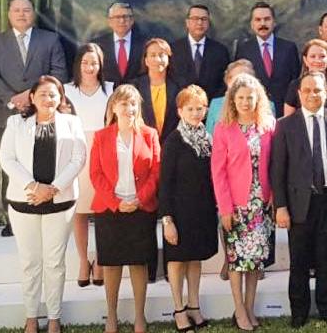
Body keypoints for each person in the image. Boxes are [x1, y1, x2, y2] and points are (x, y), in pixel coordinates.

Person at [0, 76, 86, 333]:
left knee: (55, 262)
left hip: (60, 202)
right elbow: (8, 159)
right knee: (30, 261)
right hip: (24, 201)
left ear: (61, 98)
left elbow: (78, 158)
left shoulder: (72, 123)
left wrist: (53, 189)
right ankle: (31, 317)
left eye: (54, 94)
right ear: (33, 97)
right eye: (44, 94)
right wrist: (35, 187)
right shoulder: (15, 123)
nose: (49, 99)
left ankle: (54, 318)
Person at [270, 71, 327, 328]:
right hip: (298, 203)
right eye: (307, 90)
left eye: (317, 90)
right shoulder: (285, 125)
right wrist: (281, 206)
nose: (312, 95)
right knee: (300, 261)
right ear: (299, 94)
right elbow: (278, 169)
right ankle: (299, 312)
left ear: (326, 92)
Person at [0, 0, 69, 237]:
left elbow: (59, 73)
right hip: (6, 112)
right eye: (16, 10)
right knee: (10, 165)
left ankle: (44, 210)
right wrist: (13, 98)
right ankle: (13, 219)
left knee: (45, 163)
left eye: (27, 10)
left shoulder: (50, 39)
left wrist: (31, 96)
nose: (22, 14)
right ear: (9, 14)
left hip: (44, 114)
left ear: (33, 14)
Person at [89, 84, 161, 333]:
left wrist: (139, 199)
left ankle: (139, 317)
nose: (128, 108)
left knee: (138, 264)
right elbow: (95, 175)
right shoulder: (101, 136)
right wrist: (117, 203)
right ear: (113, 107)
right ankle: (112, 316)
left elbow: (156, 172)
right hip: (110, 210)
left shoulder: (150, 134)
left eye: (133, 104)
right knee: (111, 264)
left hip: (141, 208)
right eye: (123, 103)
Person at [212, 74, 276, 331]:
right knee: (237, 260)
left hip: (261, 205)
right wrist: (225, 209)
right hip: (237, 205)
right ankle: (238, 310)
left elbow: (275, 164)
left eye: (250, 97)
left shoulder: (269, 125)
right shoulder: (223, 128)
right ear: (232, 100)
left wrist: (273, 197)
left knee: (255, 260)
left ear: (258, 98)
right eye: (240, 98)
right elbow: (218, 172)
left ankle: (250, 308)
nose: (246, 102)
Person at [159, 85, 217, 331]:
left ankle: (194, 305)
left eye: (199, 108)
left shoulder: (208, 138)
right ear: (180, 110)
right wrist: (167, 219)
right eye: (190, 108)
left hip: (202, 210)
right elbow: (165, 182)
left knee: (195, 258)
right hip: (179, 211)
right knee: (178, 260)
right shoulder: (174, 140)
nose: (195, 113)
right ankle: (179, 308)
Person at [63, 43, 113, 286]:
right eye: (85, 63)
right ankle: (84, 260)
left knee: (103, 210)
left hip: (104, 154)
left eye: (94, 63)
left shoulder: (111, 90)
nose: (90, 67)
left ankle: (103, 260)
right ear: (78, 65)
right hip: (76, 154)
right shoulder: (65, 91)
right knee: (80, 211)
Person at [232, 1, 300, 112]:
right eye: (258, 20)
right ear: (252, 24)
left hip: (284, 111)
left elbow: (295, 80)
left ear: (274, 22)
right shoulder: (243, 49)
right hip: (253, 111)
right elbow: (239, 82)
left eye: (267, 19)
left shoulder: (289, 48)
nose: (263, 23)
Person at [169, 4, 231, 99]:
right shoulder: (173, 49)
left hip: (212, 107)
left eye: (204, 19)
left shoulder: (220, 51)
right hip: (181, 108)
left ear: (208, 23)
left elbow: (225, 81)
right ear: (187, 22)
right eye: (195, 18)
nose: (199, 22)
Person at [133, 37, 180, 145]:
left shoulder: (179, 86)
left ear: (168, 59)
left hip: (172, 147)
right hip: (143, 145)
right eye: (153, 55)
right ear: (146, 60)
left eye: (161, 55)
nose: (158, 59)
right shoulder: (135, 87)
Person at [283, 39, 327, 115]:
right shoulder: (295, 85)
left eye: (322, 56)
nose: (317, 60)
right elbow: (288, 119)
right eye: (313, 56)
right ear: (305, 60)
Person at [93, 2, 148, 85]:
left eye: (126, 16)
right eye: (117, 17)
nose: (122, 20)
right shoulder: (97, 45)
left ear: (132, 20)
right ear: (109, 21)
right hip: (107, 96)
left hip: (137, 95)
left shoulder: (146, 44)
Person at [206, 59, 255, 134]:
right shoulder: (216, 104)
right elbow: (209, 136)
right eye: (237, 78)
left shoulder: (268, 105)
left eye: (246, 78)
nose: (241, 83)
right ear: (228, 81)